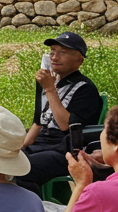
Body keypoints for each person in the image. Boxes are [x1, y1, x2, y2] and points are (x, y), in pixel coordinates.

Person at [18, 32, 102, 194]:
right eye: (52, 52)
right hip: (40, 145)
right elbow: (38, 121)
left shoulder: (85, 88)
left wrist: (50, 89)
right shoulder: (46, 82)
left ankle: (35, 209)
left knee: (22, 170)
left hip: (65, 150)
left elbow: (66, 126)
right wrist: (20, 146)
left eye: (62, 53)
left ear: (79, 60)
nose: (54, 58)